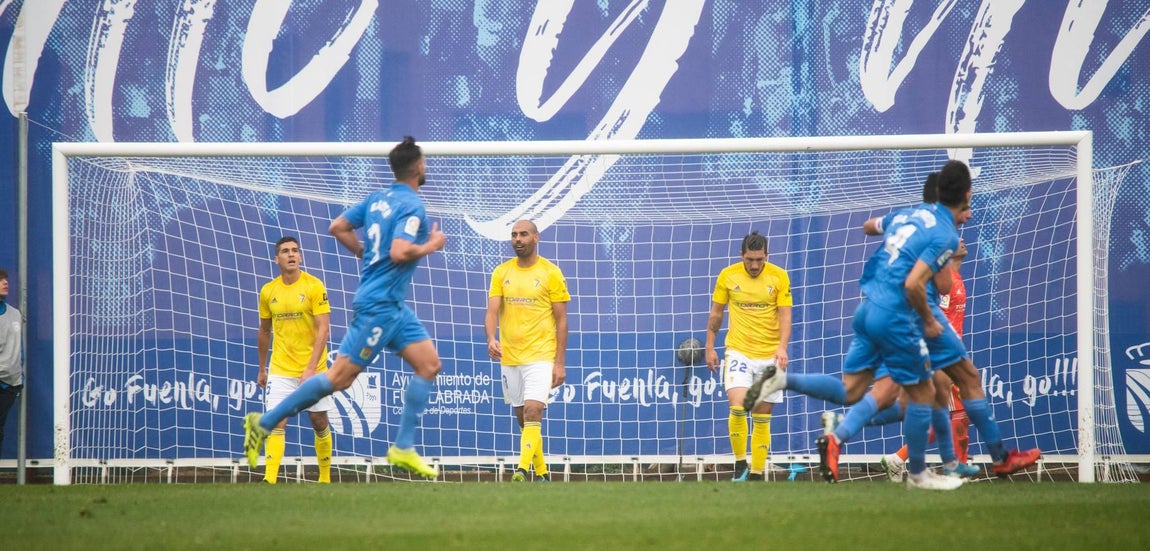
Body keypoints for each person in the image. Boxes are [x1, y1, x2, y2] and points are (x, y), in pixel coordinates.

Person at [749, 162, 1040, 487]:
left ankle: (783, 381)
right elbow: (919, 284)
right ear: (963, 196)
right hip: (902, 316)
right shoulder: (943, 234)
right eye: (968, 206)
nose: (968, 215)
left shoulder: (907, 216)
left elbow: (869, 226)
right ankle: (945, 467)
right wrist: (929, 321)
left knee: (854, 390)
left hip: (868, 308)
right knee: (932, 388)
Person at [244, 136, 446, 479]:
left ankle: (404, 447)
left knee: (429, 365)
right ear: (419, 167)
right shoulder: (412, 206)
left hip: (394, 306)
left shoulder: (376, 199)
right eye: (424, 160)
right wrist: (431, 245)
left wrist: (364, 253)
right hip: (379, 306)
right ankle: (262, 424)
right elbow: (399, 251)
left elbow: (337, 227)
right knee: (339, 379)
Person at [880, 237, 972, 482]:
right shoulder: (942, 282)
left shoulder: (957, 278)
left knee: (948, 415)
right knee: (960, 413)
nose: (961, 240)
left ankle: (898, 458)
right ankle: (957, 469)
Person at [484, 220, 570, 483]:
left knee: (534, 411)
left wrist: (559, 363)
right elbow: (492, 311)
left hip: (541, 356)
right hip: (510, 357)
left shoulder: (551, 272)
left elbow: (562, 320)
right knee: (523, 419)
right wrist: (490, 338)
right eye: (514, 235)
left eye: (523, 234)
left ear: (536, 238)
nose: (517, 239)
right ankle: (542, 472)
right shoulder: (501, 272)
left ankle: (521, 470)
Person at [705, 231, 792, 482]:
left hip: (770, 354)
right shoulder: (728, 275)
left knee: (762, 417)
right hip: (738, 350)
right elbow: (716, 313)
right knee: (739, 406)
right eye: (749, 260)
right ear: (741, 256)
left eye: (759, 260)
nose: (754, 265)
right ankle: (740, 463)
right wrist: (710, 347)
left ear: (767, 256)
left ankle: (755, 474)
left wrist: (782, 347)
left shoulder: (779, 276)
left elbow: (785, 315)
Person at [255, 237, 334, 484]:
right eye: (285, 251)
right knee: (277, 422)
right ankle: (269, 481)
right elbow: (265, 330)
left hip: (314, 368)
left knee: (318, 421)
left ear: (300, 257)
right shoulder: (268, 291)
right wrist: (262, 368)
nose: (291, 255)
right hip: (280, 368)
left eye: (295, 251)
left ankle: (324, 479)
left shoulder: (314, 286)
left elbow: (324, 329)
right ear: (276, 259)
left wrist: (311, 368)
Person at [0, 268, 23, 448]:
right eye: (0, 280)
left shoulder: (15, 313)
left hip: (10, 383)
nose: (5, 282)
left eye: (6, 279)